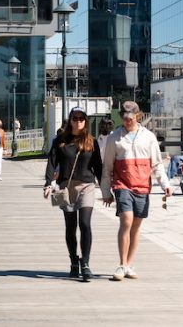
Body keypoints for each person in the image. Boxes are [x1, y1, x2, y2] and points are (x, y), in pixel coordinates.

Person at [101, 101, 172, 281]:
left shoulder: (148, 137)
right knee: (126, 220)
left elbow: (156, 164)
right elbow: (107, 167)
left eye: (130, 118)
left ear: (138, 116)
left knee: (136, 226)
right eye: (124, 118)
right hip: (122, 184)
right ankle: (122, 263)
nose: (127, 121)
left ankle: (129, 263)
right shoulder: (114, 138)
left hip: (142, 185)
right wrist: (106, 192)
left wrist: (165, 184)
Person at [43, 107, 103, 281]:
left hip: (86, 185)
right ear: (70, 120)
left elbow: (98, 167)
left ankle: (85, 263)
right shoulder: (60, 141)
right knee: (70, 227)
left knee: (85, 224)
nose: (78, 121)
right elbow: (51, 163)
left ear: (86, 121)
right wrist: (48, 184)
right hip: (65, 187)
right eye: (75, 118)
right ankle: (73, 261)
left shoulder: (91, 141)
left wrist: (107, 190)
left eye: (81, 118)